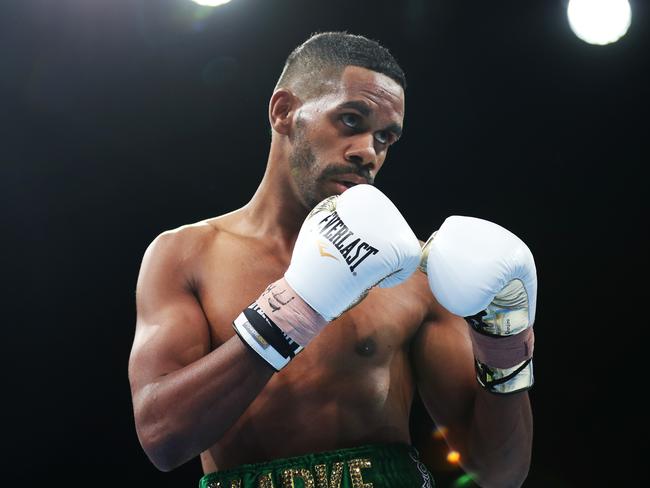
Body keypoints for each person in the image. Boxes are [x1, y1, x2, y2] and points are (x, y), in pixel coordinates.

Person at [128, 32, 536, 488]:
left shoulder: (415, 276)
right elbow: (162, 439)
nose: (368, 152)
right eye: (350, 119)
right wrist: (295, 307)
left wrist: (505, 341)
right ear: (284, 112)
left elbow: (501, 474)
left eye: (385, 137)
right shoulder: (187, 254)